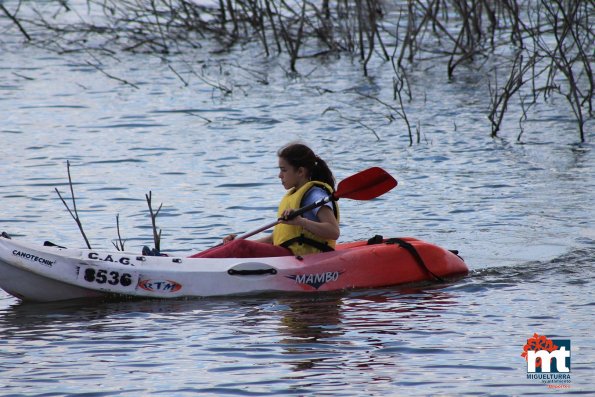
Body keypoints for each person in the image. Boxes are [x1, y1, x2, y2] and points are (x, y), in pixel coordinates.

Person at [190, 143, 340, 258]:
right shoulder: (295, 195)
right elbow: (277, 238)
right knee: (237, 245)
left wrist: (301, 221)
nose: (279, 175)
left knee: (239, 248)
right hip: (289, 255)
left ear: (300, 171)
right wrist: (241, 242)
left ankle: (192, 266)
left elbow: (333, 232)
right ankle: (192, 261)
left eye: (284, 170)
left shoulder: (315, 195)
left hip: (306, 258)